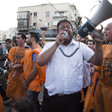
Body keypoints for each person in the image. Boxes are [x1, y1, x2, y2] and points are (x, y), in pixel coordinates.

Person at [37, 19, 103, 112]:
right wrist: (57, 44)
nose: (66, 29)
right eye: (62, 28)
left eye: (68, 27)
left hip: (73, 100)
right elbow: (40, 62)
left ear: (72, 31)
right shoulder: (50, 45)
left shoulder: (81, 47)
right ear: (58, 32)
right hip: (51, 98)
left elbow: (98, 62)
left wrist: (99, 43)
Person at [22, 32, 46, 112]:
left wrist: (26, 82)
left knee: (31, 105)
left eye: (28, 38)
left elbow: (34, 70)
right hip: (31, 81)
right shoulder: (33, 50)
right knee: (34, 104)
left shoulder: (35, 52)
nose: (26, 40)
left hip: (33, 82)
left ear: (32, 39)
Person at [93, 22, 112, 112]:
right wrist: (94, 69)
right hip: (101, 87)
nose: (104, 31)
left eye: (107, 29)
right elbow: (98, 65)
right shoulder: (103, 48)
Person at [6, 33, 26, 101]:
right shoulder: (13, 49)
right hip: (14, 75)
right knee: (11, 91)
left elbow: (30, 64)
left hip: (23, 76)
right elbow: (10, 60)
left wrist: (21, 65)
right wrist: (10, 64)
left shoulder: (28, 50)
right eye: (16, 38)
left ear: (24, 39)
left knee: (21, 94)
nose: (16, 39)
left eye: (18, 38)